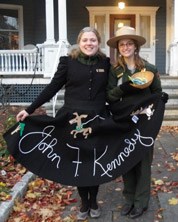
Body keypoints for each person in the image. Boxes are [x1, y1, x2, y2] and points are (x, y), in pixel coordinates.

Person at [16, 27, 110, 221]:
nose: (89, 43)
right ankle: (84, 202)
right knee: (78, 160)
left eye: (93, 40)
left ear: (98, 42)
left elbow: (112, 91)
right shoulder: (68, 62)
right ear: (79, 41)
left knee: (94, 160)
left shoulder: (105, 62)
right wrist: (30, 109)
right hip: (72, 120)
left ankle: (94, 200)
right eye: (85, 40)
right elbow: (52, 87)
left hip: (97, 118)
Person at [106, 26, 165, 219]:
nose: (126, 47)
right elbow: (109, 96)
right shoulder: (114, 71)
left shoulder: (149, 69)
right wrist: (124, 88)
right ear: (118, 48)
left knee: (143, 162)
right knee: (127, 161)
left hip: (144, 122)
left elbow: (157, 94)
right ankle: (129, 199)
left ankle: (141, 202)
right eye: (122, 44)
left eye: (129, 43)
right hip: (124, 121)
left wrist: (161, 98)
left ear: (136, 46)